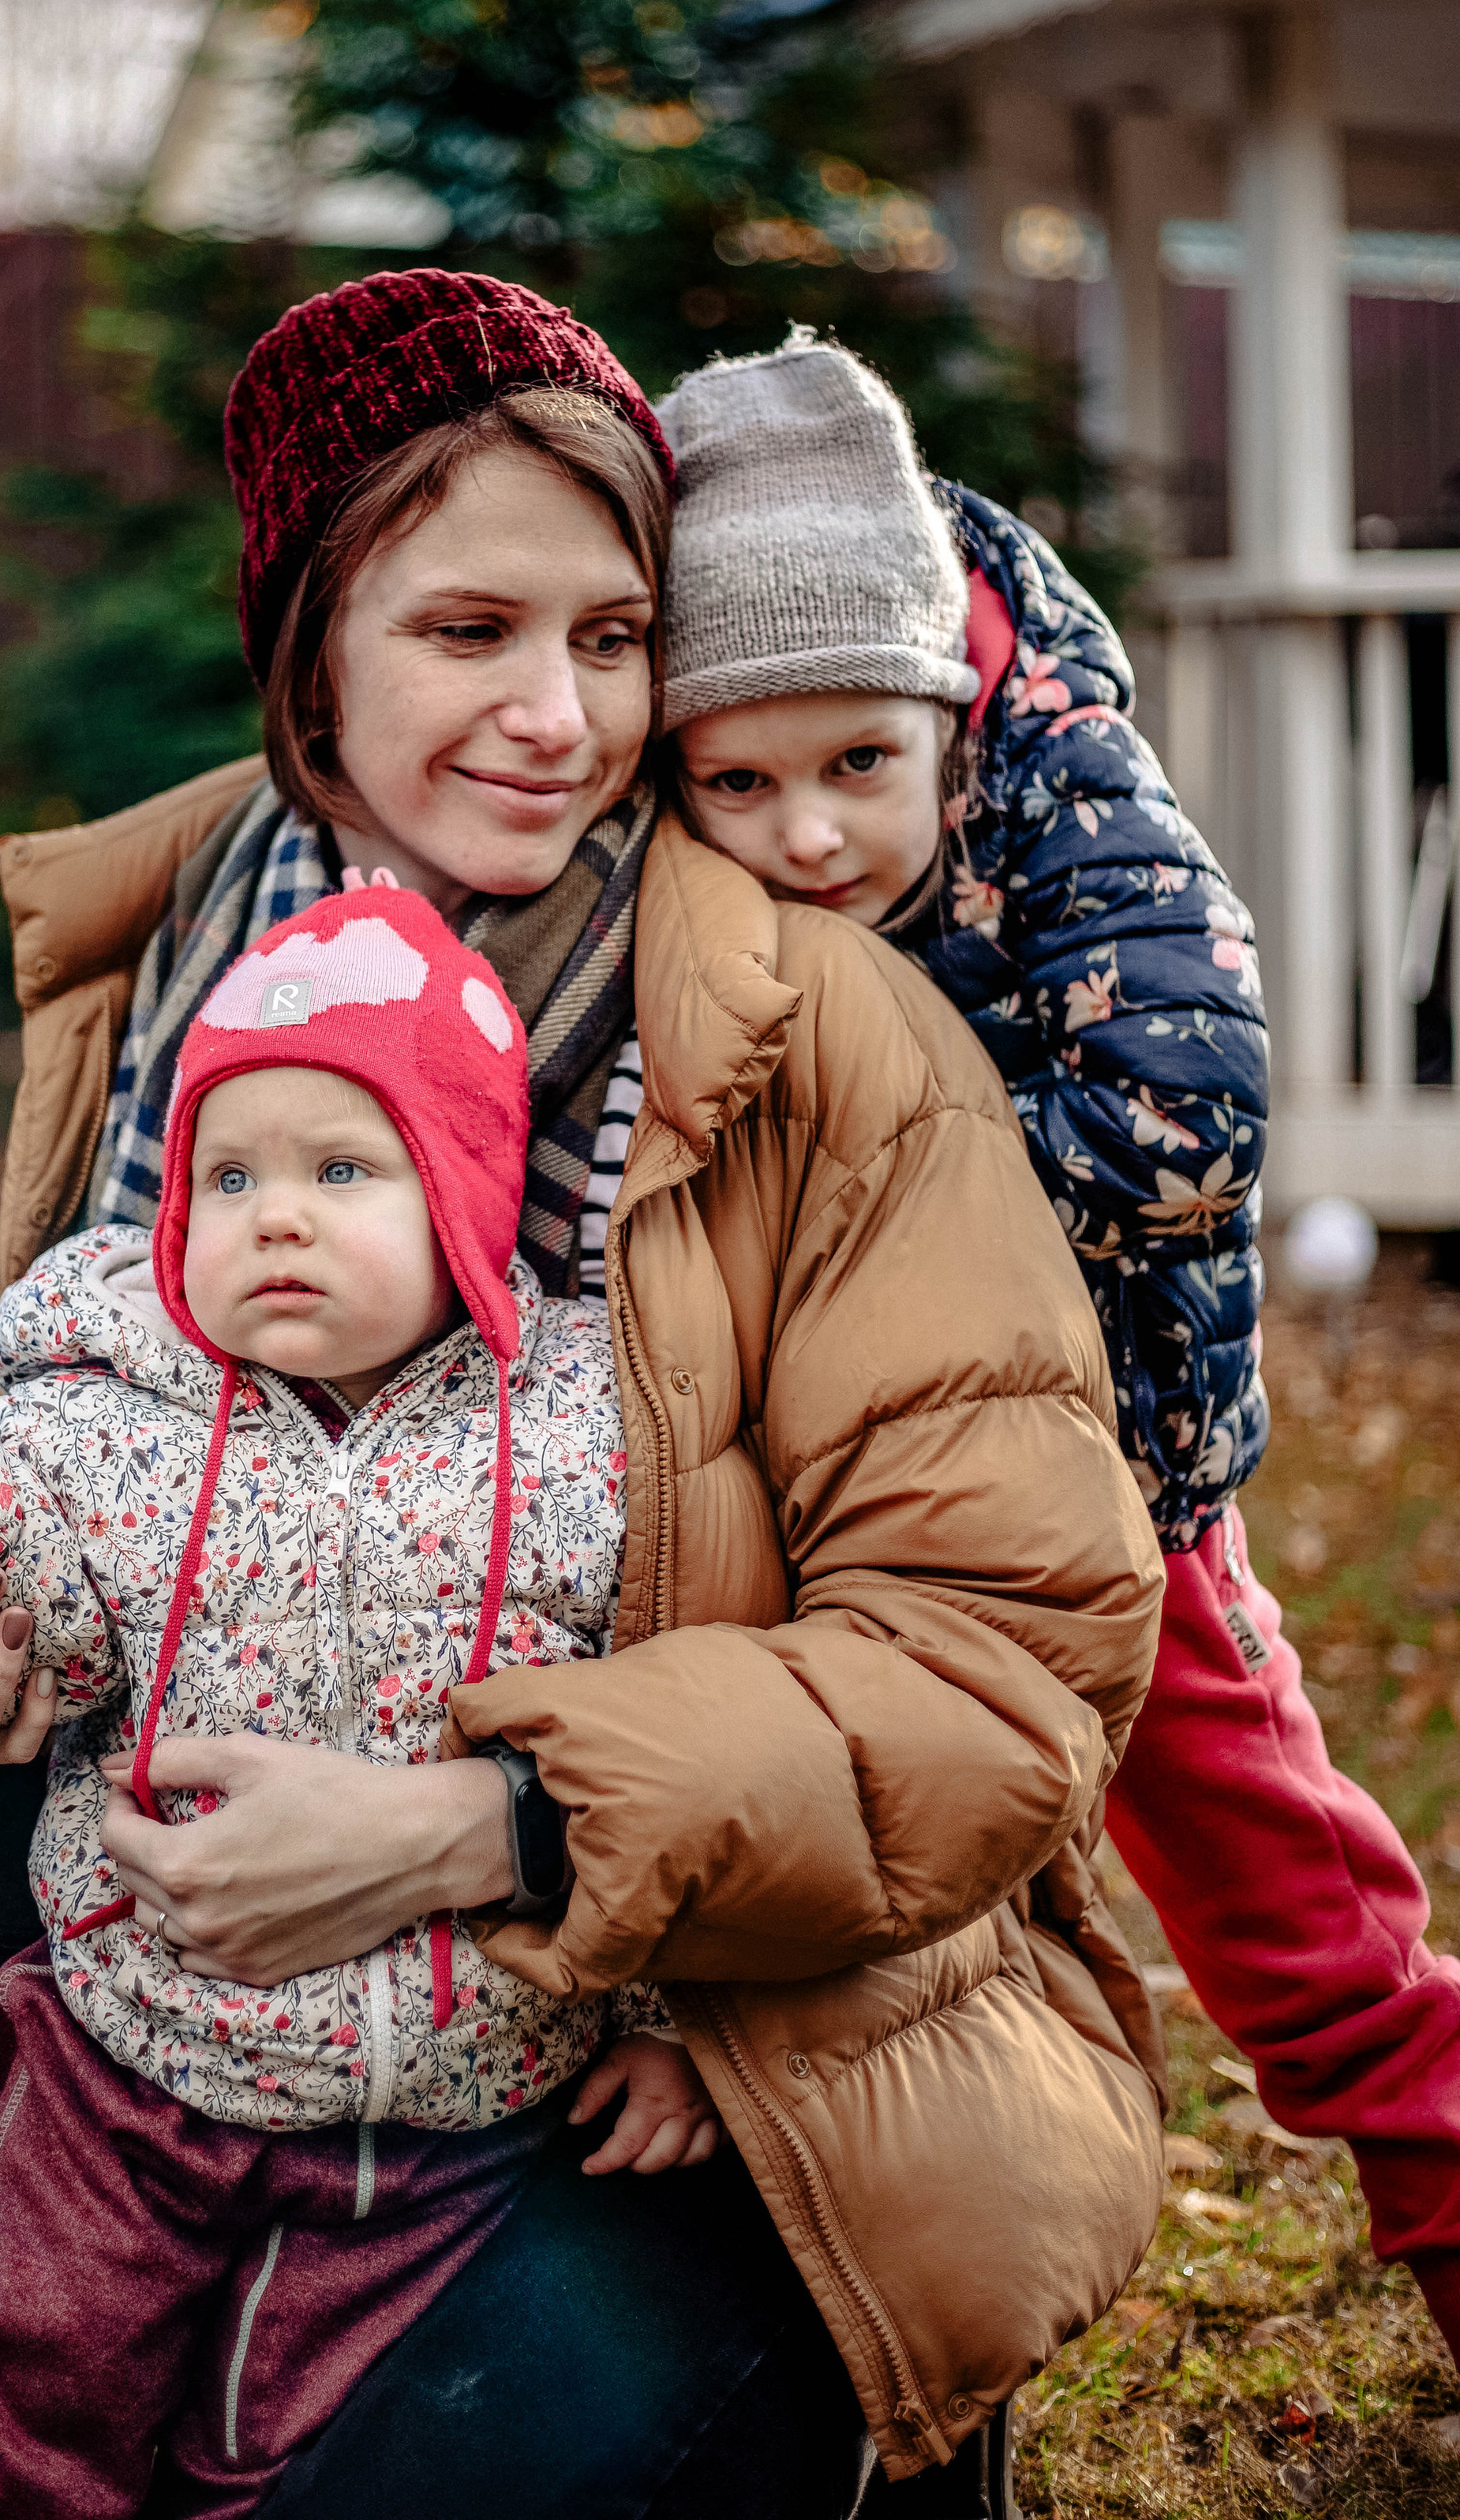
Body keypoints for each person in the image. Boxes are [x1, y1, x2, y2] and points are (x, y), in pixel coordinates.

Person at [0, 270, 1165, 2512]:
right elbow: (143, 1455)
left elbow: (1006, 1668)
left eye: (614, 637)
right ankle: (168, 2330)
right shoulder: (193, 961)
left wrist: (487, 1831)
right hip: (246, 2005)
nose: (560, 715)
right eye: (471, 633)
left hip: (714, 2025)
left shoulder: (808, 1030)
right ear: (309, 657)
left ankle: (604, 2405)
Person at [652, 328, 1460, 2362]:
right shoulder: (693, 901)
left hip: (1117, 1487)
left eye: (857, 766)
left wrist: (886, 1183)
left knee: (1286, 1908)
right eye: (735, 783)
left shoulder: (1072, 812)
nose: (806, 834)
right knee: (887, 1916)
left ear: (947, 724)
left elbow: (1183, 1109)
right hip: (856, 1516)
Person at [0, 882, 714, 2512]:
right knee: (27, 2398)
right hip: (128, 2071)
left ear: (470, 1204)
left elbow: (649, 1736)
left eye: (344, 1171)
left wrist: (673, 2014)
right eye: (231, 1175)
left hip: (454, 2112)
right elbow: (32, 1644)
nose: (276, 1216)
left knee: (288, 2451)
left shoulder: (584, 1441)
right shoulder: (115, 1419)